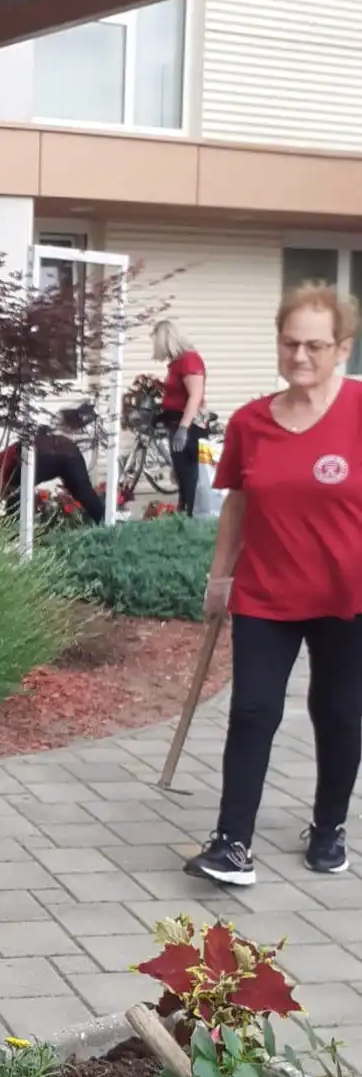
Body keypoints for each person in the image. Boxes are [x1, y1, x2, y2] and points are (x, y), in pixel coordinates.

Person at [185, 283, 362, 887]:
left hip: (348, 597)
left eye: (316, 344)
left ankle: (329, 826)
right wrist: (218, 577)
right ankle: (233, 844)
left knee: (340, 715)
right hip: (266, 593)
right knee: (253, 711)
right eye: (290, 343)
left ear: (342, 348)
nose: (301, 356)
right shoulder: (250, 422)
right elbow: (236, 504)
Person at [0, 428, 105, 526]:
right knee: (83, 493)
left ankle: (16, 531)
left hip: (45, 455)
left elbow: (1, 488)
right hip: (62, 451)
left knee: (17, 496)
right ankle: (104, 521)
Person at [152, 319, 207, 515]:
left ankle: (191, 516)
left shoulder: (189, 361)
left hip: (189, 427)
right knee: (182, 476)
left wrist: (183, 429)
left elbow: (195, 396)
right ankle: (184, 514)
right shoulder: (177, 363)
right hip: (176, 423)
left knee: (189, 476)